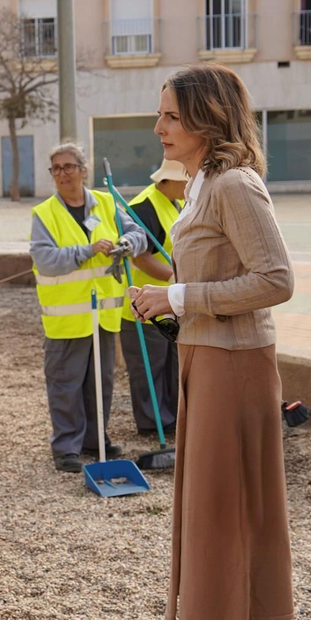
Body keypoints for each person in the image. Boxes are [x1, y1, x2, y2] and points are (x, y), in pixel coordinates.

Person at [130, 64, 295, 620]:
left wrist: (178, 296)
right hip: (206, 360)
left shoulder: (234, 184)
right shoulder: (202, 183)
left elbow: (275, 280)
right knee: (222, 515)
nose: (159, 127)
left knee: (247, 517)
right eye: (161, 114)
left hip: (236, 366)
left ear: (207, 118)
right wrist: (163, 292)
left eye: (171, 115)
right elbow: (203, 277)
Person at [29, 141, 169, 473]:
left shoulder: (107, 203)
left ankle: (95, 440)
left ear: (83, 170)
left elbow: (139, 235)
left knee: (100, 382)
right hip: (66, 319)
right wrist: (87, 250)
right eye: (56, 169)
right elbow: (45, 259)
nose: (62, 174)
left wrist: (126, 243)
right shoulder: (44, 214)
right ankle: (67, 447)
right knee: (65, 384)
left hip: (103, 315)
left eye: (68, 167)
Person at [117, 158, 188, 437]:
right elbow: (141, 258)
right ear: (167, 180)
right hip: (145, 305)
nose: (188, 184)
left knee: (170, 365)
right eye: (184, 179)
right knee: (149, 367)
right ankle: (152, 423)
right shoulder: (143, 207)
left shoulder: (175, 202)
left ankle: (170, 419)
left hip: (168, 303)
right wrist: (174, 279)